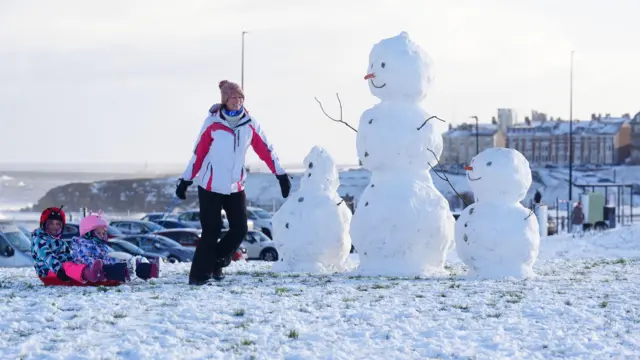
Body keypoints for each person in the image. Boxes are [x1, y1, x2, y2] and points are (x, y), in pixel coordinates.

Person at [176, 80, 291, 285]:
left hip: (235, 186)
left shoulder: (249, 123)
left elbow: (266, 150)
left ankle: (217, 261)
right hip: (210, 186)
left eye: (240, 97)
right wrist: (185, 181)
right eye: (232, 98)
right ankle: (198, 276)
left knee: (240, 229)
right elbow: (198, 154)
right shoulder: (212, 123)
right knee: (211, 231)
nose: (237, 101)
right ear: (225, 101)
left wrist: (280, 175)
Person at [70, 212, 160, 282]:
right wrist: (96, 265)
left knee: (133, 264)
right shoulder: (81, 245)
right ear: (88, 233)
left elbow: (108, 255)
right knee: (115, 269)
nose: (101, 236)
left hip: (107, 264)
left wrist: (117, 260)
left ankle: (150, 270)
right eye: (98, 233)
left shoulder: (101, 245)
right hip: (97, 268)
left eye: (103, 233)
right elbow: (82, 259)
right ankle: (127, 273)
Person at [31, 206, 104, 285]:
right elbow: (47, 256)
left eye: (58, 224)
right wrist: (58, 269)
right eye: (51, 224)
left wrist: (77, 262)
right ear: (44, 224)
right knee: (67, 266)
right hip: (48, 272)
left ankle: (96, 273)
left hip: (62, 270)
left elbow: (68, 255)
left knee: (75, 264)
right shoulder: (39, 240)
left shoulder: (60, 241)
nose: (54, 226)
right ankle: (90, 275)